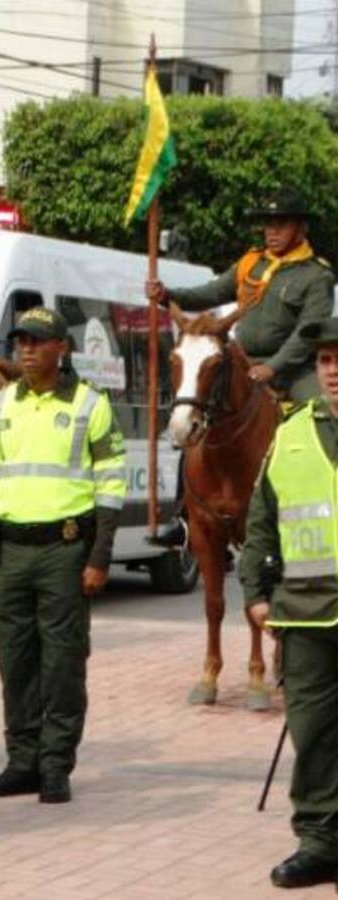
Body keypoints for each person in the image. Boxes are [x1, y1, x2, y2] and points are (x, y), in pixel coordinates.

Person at [0, 307, 126, 805]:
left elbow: (110, 487)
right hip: (11, 553)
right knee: (14, 660)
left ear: (62, 348)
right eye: (21, 341)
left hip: (64, 551)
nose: (27, 349)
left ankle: (56, 765)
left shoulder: (89, 405)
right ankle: (22, 762)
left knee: (62, 663)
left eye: (38, 341)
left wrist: (98, 557)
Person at [240, 317, 338, 890]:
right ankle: (320, 841)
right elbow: (261, 522)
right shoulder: (291, 432)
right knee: (313, 731)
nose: (333, 371)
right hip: (305, 614)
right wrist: (254, 593)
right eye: (325, 360)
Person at [147, 187, 334, 404]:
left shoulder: (316, 275)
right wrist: (166, 295)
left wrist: (272, 367)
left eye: (282, 224)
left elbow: (306, 335)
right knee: (192, 400)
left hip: (293, 372)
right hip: (241, 361)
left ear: (301, 228)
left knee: (322, 408)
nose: (272, 232)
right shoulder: (250, 263)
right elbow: (211, 293)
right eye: (268, 224)